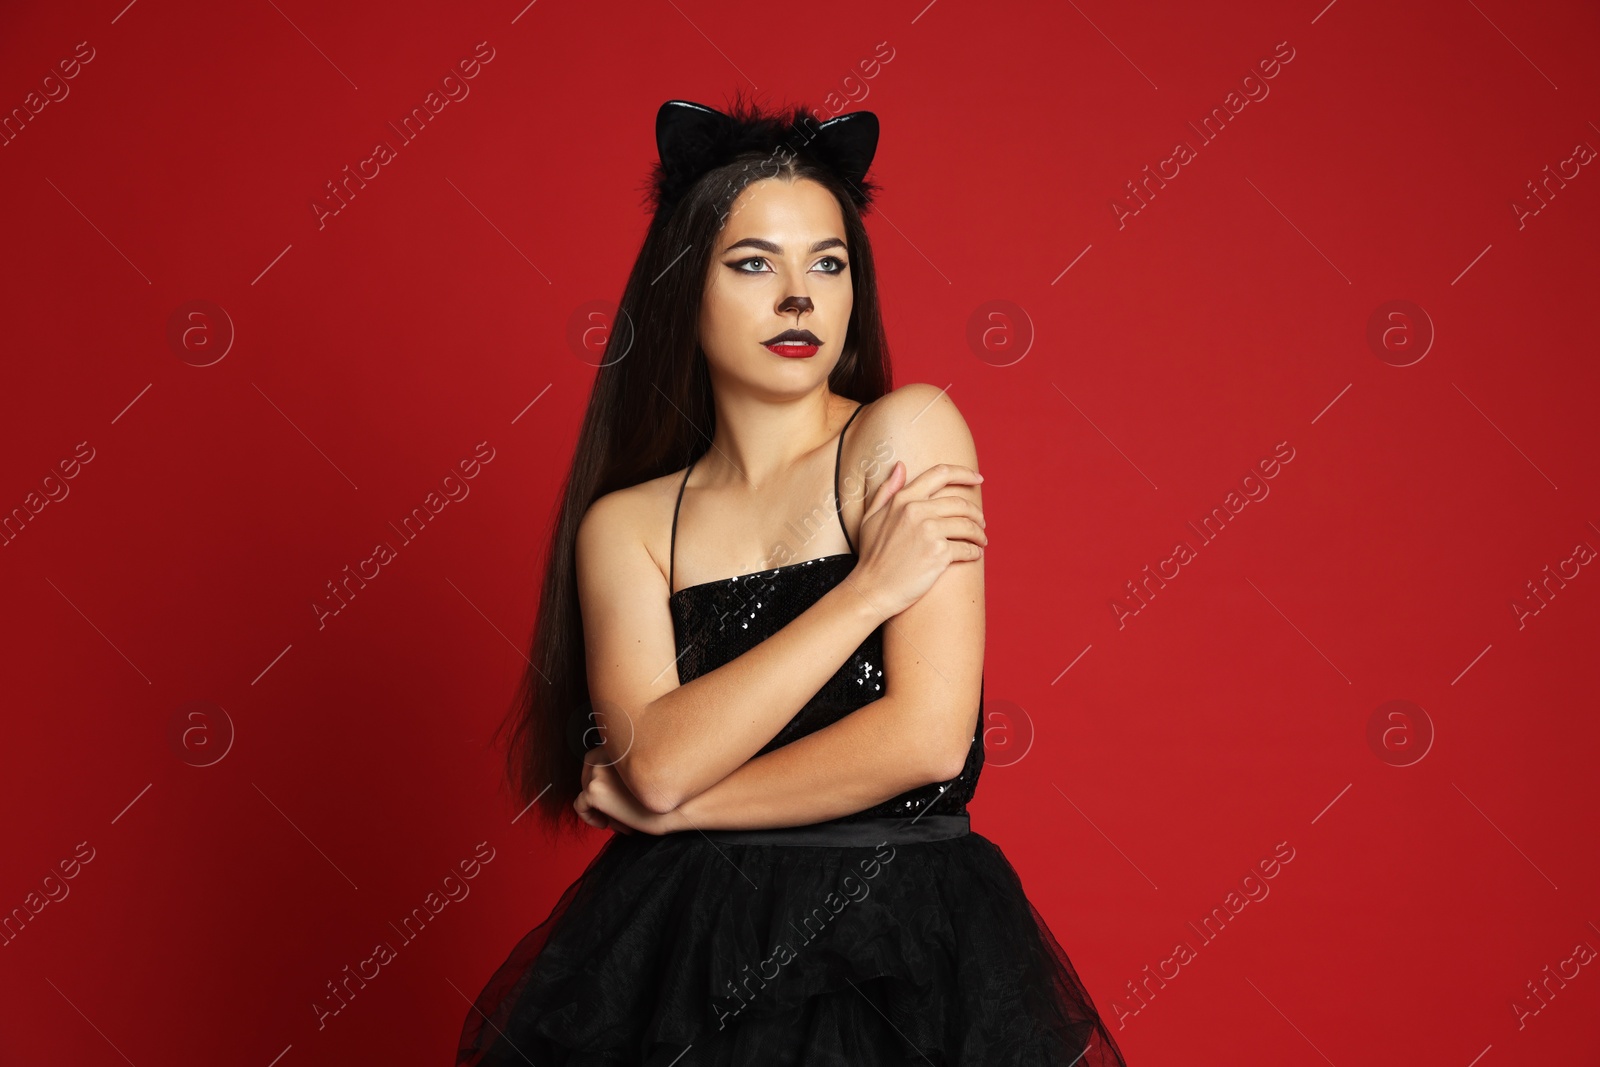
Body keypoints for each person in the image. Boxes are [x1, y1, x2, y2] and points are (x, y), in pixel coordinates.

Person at [457, 92, 1129, 1066]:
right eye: (753, 264)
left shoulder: (903, 430)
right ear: (683, 287)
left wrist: (681, 811)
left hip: (900, 942)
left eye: (828, 261)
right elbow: (652, 758)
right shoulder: (629, 524)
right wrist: (862, 592)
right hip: (682, 946)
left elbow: (926, 739)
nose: (799, 296)